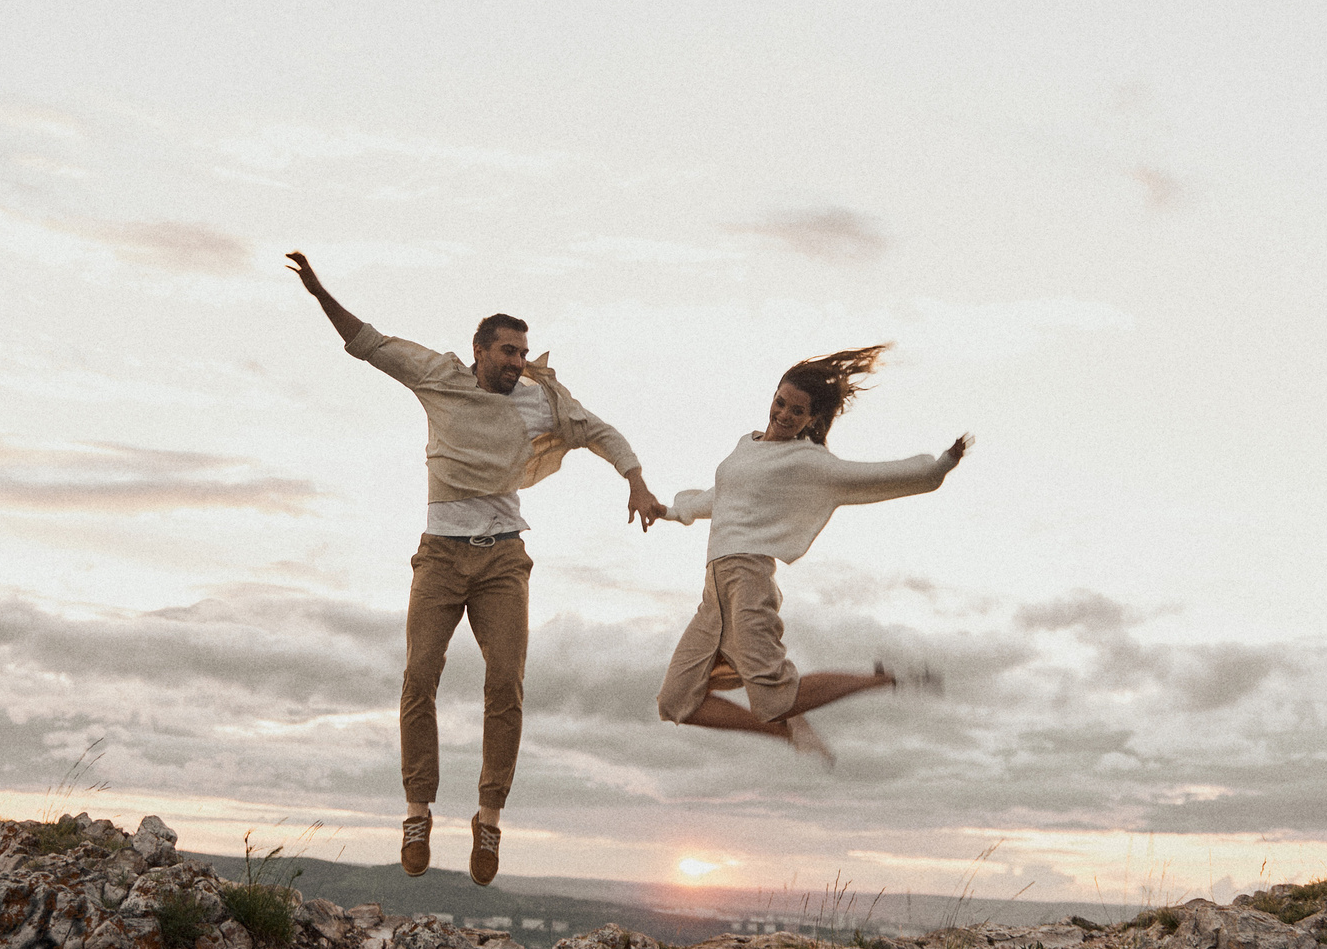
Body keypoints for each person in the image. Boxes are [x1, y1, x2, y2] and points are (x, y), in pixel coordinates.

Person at [287, 251, 666, 886]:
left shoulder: (540, 400)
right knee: (420, 677)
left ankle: (488, 818)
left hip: (503, 561)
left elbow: (601, 432)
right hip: (439, 555)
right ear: (479, 351)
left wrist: (636, 481)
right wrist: (320, 291)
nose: (517, 363)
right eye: (507, 352)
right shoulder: (438, 377)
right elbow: (369, 343)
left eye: (523, 353)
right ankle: (417, 812)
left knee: (506, 684)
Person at [656, 345, 968, 765]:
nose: (783, 415)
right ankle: (785, 727)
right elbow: (723, 496)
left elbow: (871, 477)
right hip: (713, 590)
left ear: (812, 419)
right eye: (780, 402)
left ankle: (882, 679)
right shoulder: (745, 446)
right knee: (676, 702)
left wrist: (938, 467)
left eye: (797, 411)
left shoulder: (808, 462)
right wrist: (674, 511)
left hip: (748, 580)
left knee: (776, 697)